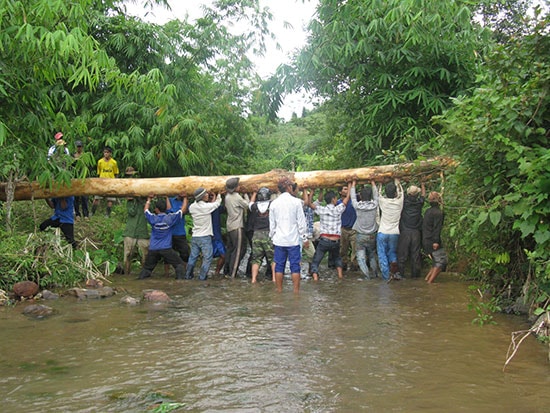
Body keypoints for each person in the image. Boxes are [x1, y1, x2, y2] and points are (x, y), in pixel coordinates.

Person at [269, 178, 309, 293]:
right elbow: (301, 222)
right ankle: (296, 292)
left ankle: (279, 291)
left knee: (279, 266)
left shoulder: (274, 204)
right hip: (293, 240)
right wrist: (305, 238)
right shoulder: (296, 202)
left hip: (279, 240)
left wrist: (272, 237)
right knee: (295, 267)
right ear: (288, 187)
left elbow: (272, 225)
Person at [308, 181, 351, 281]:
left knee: (316, 260)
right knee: (337, 258)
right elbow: (346, 199)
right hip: (336, 241)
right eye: (335, 198)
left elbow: (310, 204)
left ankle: (315, 279)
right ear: (333, 199)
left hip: (324, 240)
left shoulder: (322, 210)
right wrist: (350, 185)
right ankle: (340, 277)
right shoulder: (338, 209)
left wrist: (312, 190)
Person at [138, 195, 186, 280]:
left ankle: (140, 281)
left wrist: (149, 200)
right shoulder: (170, 219)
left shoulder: (153, 219)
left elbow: (145, 210)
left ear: (156, 209)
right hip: (166, 248)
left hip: (153, 248)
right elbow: (182, 210)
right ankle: (180, 282)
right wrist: (185, 198)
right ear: (165, 209)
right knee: (179, 265)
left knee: (147, 269)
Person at [185, 187, 222, 280]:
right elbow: (217, 203)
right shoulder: (206, 207)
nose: (207, 195)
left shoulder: (192, 207)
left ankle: (188, 275)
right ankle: (202, 278)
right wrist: (219, 194)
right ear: (202, 197)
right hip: (205, 237)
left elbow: (211, 204)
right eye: (205, 194)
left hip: (195, 236)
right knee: (207, 258)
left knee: (193, 257)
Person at [122, 167, 150, 276]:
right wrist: (133, 200)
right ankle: (127, 274)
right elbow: (132, 212)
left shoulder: (144, 201)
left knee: (145, 256)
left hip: (142, 231)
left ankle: (144, 276)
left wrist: (143, 199)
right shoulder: (130, 202)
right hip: (131, 231)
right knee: (128, 255)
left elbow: (147, 210)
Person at [351, 179, 380, 279]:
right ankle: (375, 274)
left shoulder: (358, 206)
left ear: (361, 197)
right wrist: (373, 182)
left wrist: (353, 184)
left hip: (360, 236)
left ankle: (367, 277)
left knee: (361, 258)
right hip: (372, 235)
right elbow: (376, 196)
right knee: (372, 255)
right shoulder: (374, 205)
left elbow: (353, 198)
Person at [377, 178, 404, 281]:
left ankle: (386, 277)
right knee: (392, 252)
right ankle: (394, 266)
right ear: (395, 192)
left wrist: (380, 183)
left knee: (382, 254)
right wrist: (398, 182)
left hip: (382, 232)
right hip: (394, 233)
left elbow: (378, 194)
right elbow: (401, 193)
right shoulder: (399, 202)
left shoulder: (383, 202)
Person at [397, 183, 426, 278]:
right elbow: (423, 195)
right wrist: (423, 184)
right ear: (416, 194)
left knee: (402, 255)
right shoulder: (419, 203)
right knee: (415, 255)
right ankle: (415, 276)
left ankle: (401, 274)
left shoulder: (403, 203)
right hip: (416, 233)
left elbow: (400, 193)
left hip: (405, 232)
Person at [248, 187, 275, 283]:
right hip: (268, 234)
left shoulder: (255, 206)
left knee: (256, 259)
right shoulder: (272, 205)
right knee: (272, 258)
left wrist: (254, 193)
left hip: (256, 234)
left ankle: (253, 279)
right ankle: (274, 279)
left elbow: (250, 204)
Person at [224, 177, 249, 278]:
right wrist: (246, 194)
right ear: (235, 188)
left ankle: (226, 271)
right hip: (237, 227)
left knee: (230, 249)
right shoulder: (236, 197)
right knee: (239, 251)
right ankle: (232, 274)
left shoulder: (227, 196)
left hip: (230, 226)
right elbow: (247, 205)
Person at [424, 191, 448, 283]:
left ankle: (427, 279)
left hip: (426, 239)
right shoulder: (438, 213)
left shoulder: (428, 211)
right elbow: (437, 228)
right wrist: (436, 241)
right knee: (441, 261)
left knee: (435, 261)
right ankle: (430, 283)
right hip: (432, 240)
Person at [165, 190, 189, 276]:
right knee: (167, 254)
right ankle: (166, 273)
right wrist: (166, 197)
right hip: (170, 232)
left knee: (185, 253)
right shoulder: (170, 200)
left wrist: (186, 198)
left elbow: (184, 211)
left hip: (180, 232)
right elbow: (169, 211)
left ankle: (185, 272)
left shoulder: (184, 202)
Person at [91, 146, 119, 217]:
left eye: (107, 152)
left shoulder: (114, 162)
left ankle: (107, 213)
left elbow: (116, 173)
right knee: (96, 198)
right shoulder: (100, 162)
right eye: (104, 152)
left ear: (110, 153)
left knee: (110, 200)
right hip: (102, 182)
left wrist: (115, 183)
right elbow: (99, 173)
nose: (106, 154)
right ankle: (92, 212)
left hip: (111, 182)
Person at [338, 184, 357, 271]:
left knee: (355, 249)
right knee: (343, 249)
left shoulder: (354, 201)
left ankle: (354, 265)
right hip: (343, 229)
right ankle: (344, 264)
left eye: (347, 189)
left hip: (353, 229)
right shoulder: (338, 203)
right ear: (340, 192)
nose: (347, 190)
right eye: (345, 189)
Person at [209, 192, 226, 277]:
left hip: (217, 235)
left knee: (223, 255)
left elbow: (225, 209)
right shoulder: (205, 207)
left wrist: (223, 196)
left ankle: (217, 272)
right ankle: (203, 273)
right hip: (208, 235)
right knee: (207, 256)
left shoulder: (217, 207)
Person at [72, 140, 89, 219]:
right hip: (76, 178)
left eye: (80, 146)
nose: (79, 148)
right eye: (77, 146)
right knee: (76, 197)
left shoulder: (85, 156)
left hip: (84, 178)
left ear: (82, 147)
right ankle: (77, 214)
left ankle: (86, 214)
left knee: (84, 197)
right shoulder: (73, 156)